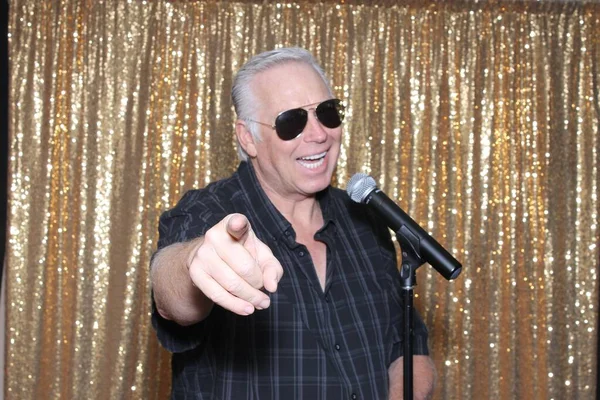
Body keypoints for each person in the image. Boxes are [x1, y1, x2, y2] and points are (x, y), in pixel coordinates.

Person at [151, 47, 436, 400]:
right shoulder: (210, 213)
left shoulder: (366, 221)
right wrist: (196, 260)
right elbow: (171, 295)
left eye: (328, 113)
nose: (319, 134)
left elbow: (406, 348)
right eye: (292, 121)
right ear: (247, 137)